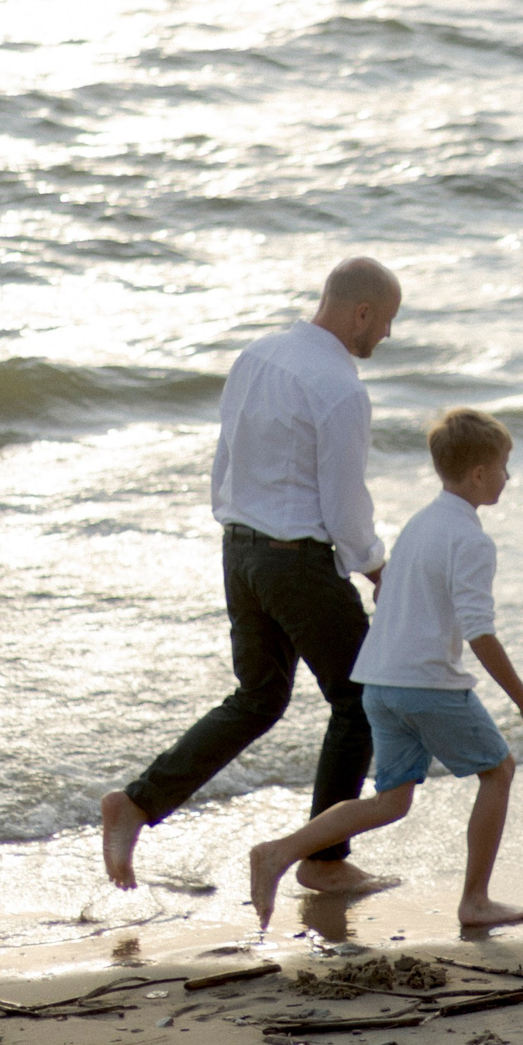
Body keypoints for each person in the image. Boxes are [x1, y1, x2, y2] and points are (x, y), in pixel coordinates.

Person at [99, 258, 402, 893]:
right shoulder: (341, 389)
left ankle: (136, 803)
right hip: (294, 561)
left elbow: (226, 460)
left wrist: (242, 531)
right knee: (364, 698)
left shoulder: (257, 356)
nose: (388, 338)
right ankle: (324, 860)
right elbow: (346, 507)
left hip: (239, 551)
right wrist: (380, 569)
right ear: (362, 313)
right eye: (387, 323)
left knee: (259, 699)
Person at [246, 408, 523, 931]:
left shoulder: (420, 524)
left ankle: (279, 852)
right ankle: (475, 901)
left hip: (379, 683)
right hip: (426, 685)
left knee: (392, 801)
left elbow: (391, 593)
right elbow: (479, 630)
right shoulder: (472, 540)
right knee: (498, 771)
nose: (509, 476)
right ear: (480, 473)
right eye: (505, 466)